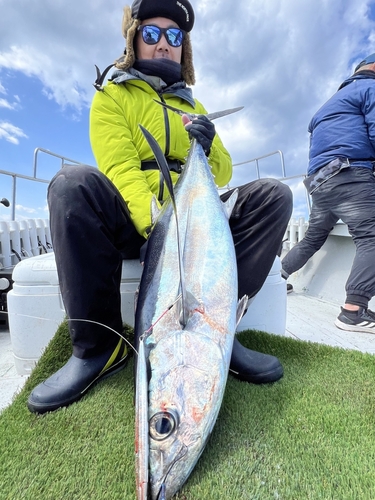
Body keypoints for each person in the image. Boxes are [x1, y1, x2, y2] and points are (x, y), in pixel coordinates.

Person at [27, 0, 293, 414]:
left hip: (193, 217)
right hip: (141, 223)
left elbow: (222, 172)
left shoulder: (195, 107)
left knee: (274, 196)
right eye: (152, 33)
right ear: (134, 39)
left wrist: (205, 148)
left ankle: (218, 328)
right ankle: (98, 348)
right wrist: (161, 230)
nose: (164, 43)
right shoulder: (112, 97)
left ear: (183, 47)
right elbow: (121, 171)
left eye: (174, 35)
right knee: (71, 185)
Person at [282, 53, 375, 333]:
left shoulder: (325, 107)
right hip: (350, 176)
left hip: (319, 183)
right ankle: (353, 311)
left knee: (312, 238)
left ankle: (277, 277)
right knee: (371, 235)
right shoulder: (370, 88)